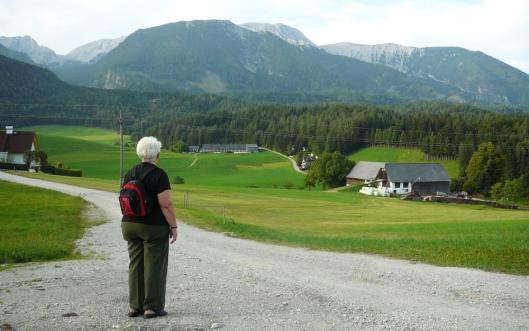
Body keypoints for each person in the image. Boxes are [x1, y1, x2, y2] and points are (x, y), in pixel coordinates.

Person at [121, 136, 178, 319]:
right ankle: (152, 307)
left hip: (129, 224)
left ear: (139, 153)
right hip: (153, 227)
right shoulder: (159, 175)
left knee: (135, 264)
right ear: (157, 154)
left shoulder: (130, 173)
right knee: (154, 266)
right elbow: (166, 205)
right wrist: (173, 226)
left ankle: (135, 306)